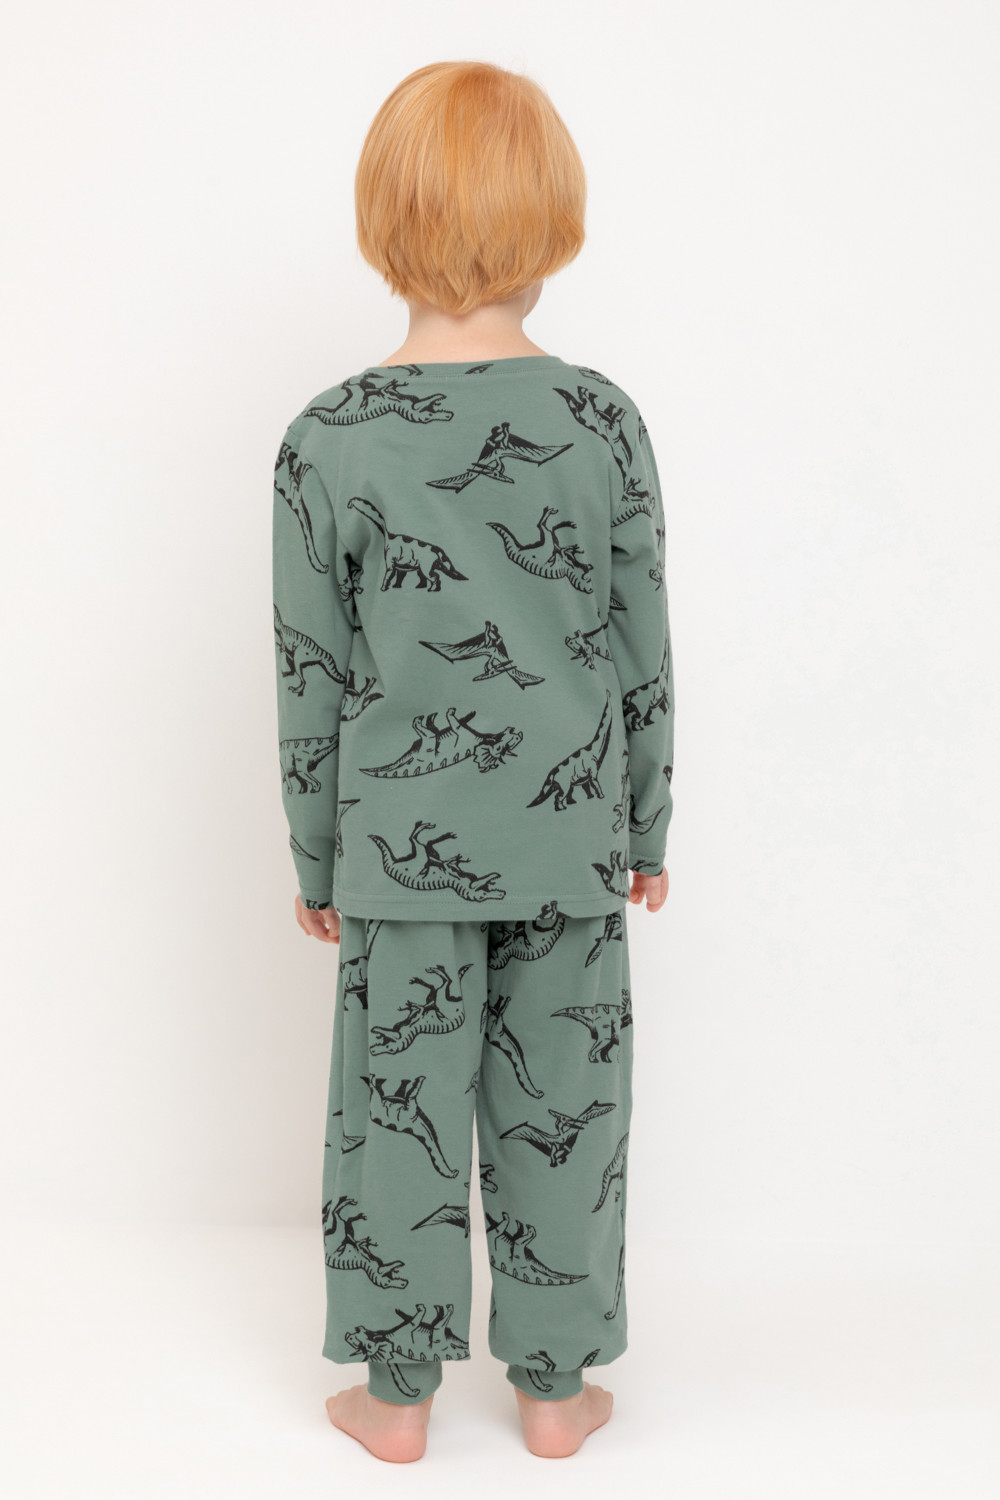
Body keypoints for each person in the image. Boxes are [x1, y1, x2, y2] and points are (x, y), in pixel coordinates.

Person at [271, 60, 674, 1464]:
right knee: (566, 1101)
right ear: (553, 220)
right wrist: (647, 827)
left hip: (399, 852)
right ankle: (555, 1392)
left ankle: (396, 1399)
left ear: (382, 222)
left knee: (399, 1120)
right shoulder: (600, 420)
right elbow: (639, 647)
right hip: (568, 844)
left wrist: (318, 857)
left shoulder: (328, 438)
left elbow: (311, 673)